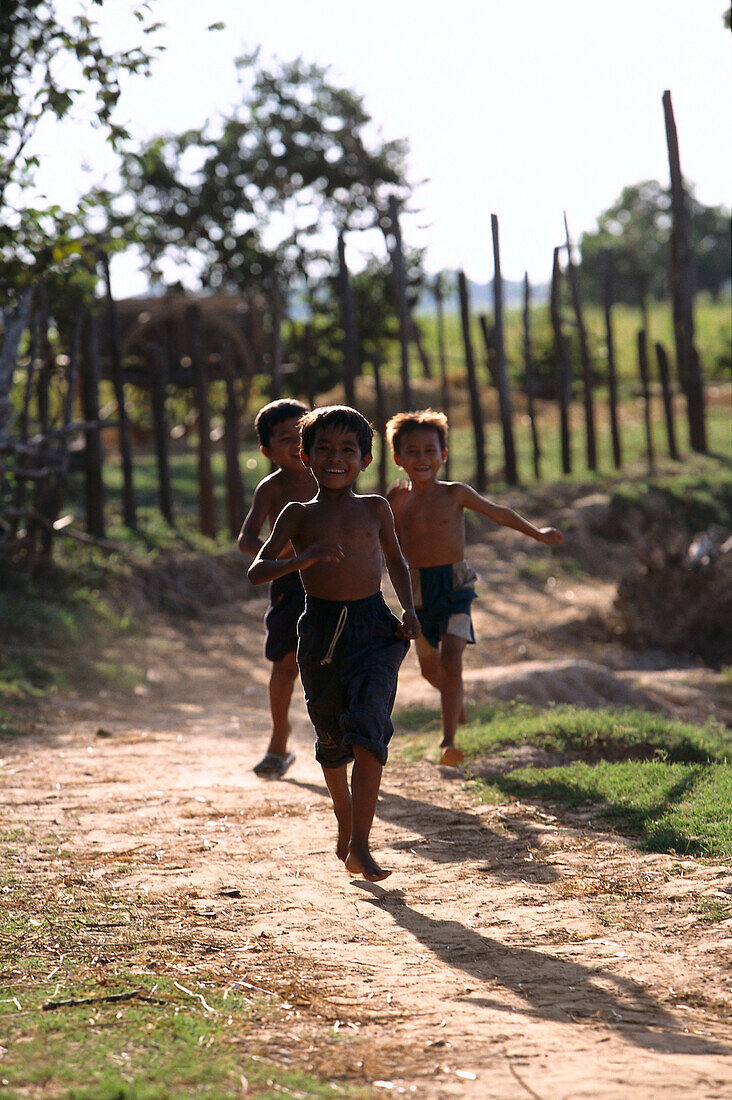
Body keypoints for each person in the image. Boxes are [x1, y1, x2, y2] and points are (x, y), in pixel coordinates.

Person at [248, 405, 420, 881]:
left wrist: (409, 610)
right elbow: (256, 570)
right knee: (332, 739)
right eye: (323, 448)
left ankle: (362, 845)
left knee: (368, 731)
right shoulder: (296, 514)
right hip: (319, 632)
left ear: (366, 459)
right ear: (304, 456)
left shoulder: (375, 508)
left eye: (348, 449)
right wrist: (303, 558)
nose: (335, 458)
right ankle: (345, 824)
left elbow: (397, 562)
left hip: (373, 628)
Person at [386, 409, 563, 767]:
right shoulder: (395, 499)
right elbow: (386, 542)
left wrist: (538, 533)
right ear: (398, 458)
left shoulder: (455, 494)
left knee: (452, 660)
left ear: (443, 455)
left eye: (430, 451)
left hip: (455, 586)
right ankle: (456, 699)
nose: (422, 458)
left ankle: (447, 741)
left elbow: (499, 513)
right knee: (429, 670)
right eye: (413, 452)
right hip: (415, 590)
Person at [238, 398, 316, 779]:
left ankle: (343, 737)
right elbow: (246, 540)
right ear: (267, 451)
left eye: (302, 434)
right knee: (286, 666)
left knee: (337, 662)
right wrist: (279, 557)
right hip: (288, 584)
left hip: (337, 581)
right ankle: (278, 740)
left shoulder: (332, 475)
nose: (296, 444)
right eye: (286, 438)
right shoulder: (272, 487)